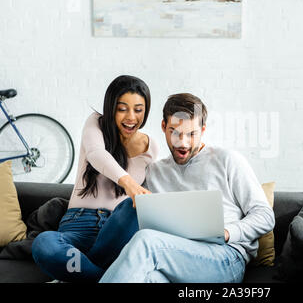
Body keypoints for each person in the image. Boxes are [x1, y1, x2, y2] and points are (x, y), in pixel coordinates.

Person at [100, 93, 275, 283]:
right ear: (163, 127)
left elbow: (265, 216)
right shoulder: (154, 172)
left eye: (192, 134)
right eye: (175, 132)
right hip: (175, 257)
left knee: (146, 242)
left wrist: (227, 232)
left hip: (225, 258)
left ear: (203, 130)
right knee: (149, 278)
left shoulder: (227, 160)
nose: (182, 143)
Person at [31, 75, 158, 282]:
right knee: (44, 243)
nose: (131, 117)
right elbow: (96, 154)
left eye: (138, 109)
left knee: (136, 207)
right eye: (122, 108)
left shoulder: (150, 146)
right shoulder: (96, 123)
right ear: (111, 108)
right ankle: (103, 276)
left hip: (116, 231)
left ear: (146, 110)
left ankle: (81, 274)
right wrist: (129, 183)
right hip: (78, 226)